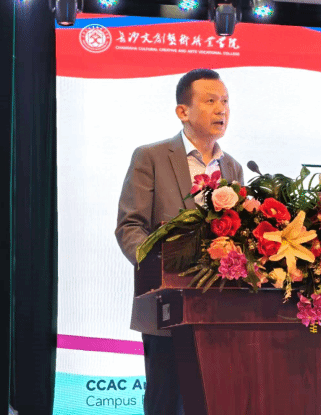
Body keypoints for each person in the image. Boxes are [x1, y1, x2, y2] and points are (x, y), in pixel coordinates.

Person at [115, 68, 244, 415]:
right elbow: (130, 227)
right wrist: (162, 267)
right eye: (210, 101)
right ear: (182, 111)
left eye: (225, 101)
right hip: (166, 308)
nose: (222, 109)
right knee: (167, 405)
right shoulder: (151, 157)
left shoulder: (232, 168)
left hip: (219, 312)